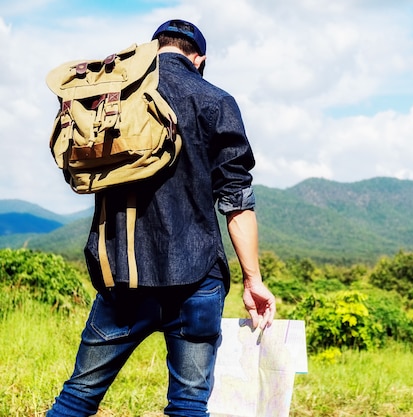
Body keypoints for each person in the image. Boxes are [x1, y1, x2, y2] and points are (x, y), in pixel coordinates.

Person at [47, 19, 276, 417]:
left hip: (123, 274)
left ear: (152, 51)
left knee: (77, 397)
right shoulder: (215, 100)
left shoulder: (112, 99)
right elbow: (236, 198)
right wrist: (252, 280)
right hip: (197, 276)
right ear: (199, 59)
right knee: (188, 404)